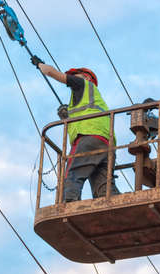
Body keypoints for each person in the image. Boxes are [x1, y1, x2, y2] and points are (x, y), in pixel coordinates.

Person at [31, 56, 120, 202]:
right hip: (106, 143)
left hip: (88, 138)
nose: (71, 78)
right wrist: (67, 119)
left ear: (86, 77)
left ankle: (67, 206)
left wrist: (40, 64)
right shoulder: (94, 98)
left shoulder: (83, 83)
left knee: (72, 176)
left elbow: (50, 72)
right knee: (104, 189)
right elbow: (86, 115)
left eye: (75, 75)